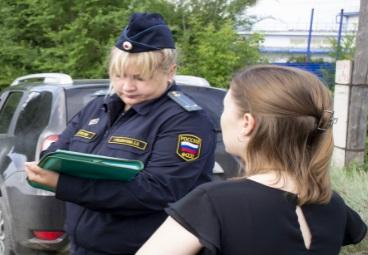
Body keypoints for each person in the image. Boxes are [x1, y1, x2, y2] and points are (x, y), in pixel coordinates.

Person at [25, 13, 216, 254]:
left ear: (170, 72)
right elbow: (58, 151)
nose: (127, 87)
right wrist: (46, 164)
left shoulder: (186, 121)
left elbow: (157, 192)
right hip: (83, 246)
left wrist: (64, 184)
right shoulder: (98, 107)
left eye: (140, 78)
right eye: (119, 75)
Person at [137, 65, 367, 255]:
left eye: (226, 108)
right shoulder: (332, 204)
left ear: (247, 123)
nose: (222, 118)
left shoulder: (213, 203)